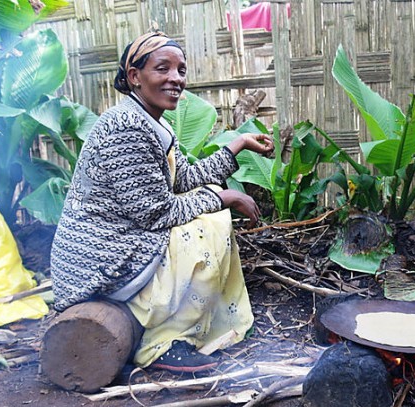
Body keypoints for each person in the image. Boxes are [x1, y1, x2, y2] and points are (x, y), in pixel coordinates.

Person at [50, 31, 274, 373]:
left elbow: (183, 179)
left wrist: (238, 144)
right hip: (98, 260)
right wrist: (223, 196)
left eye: (181, 70)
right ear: (134, 76)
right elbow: (155, 212)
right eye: (163, 68)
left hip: (121, 241)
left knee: (210, 217)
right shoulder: (125, 127)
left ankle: (169, 331)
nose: (176, 79)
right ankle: (162, 344)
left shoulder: (150, 122)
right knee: (207, 227)